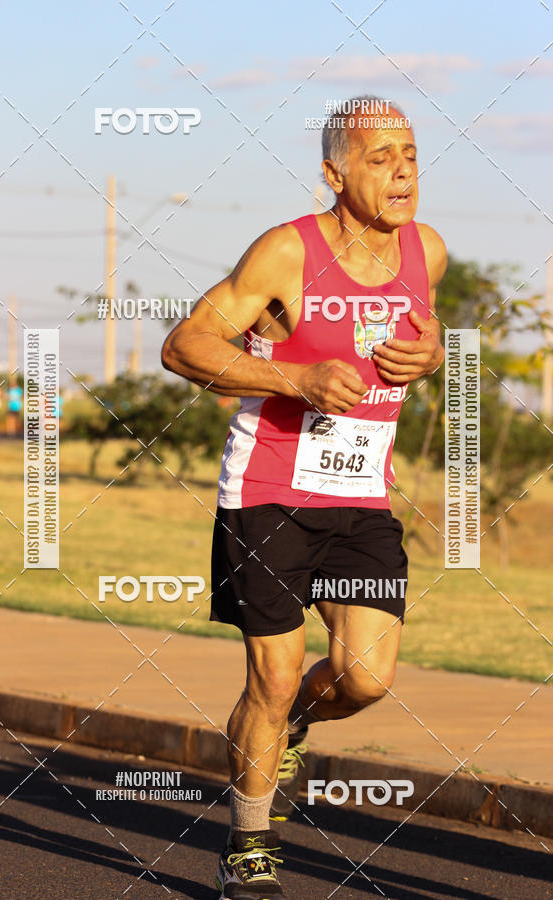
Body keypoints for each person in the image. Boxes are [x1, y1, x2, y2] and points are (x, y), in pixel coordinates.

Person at [162, 95, 446, 899]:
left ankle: (289, 731)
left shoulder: (429, 249)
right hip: (267, 492)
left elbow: (418, 335)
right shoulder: (286, 252)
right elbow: (184, 343)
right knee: (275, 673)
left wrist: (427, 357)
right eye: (380, 156)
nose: (401, 172)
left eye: (411, 156)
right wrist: (296, 378)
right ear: (333, 172)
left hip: (360, 498)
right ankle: (249, 843)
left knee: (365, 677)